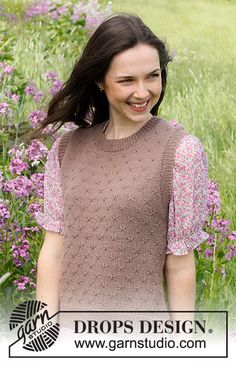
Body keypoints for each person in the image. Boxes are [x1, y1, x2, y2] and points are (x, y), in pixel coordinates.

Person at [34, 13, 209, 327]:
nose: (143, 93)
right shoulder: (65, 150)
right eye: (127, 80)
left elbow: (180, 265)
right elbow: (53, 253)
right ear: (100, 80)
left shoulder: (181, 152)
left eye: (152, 76)